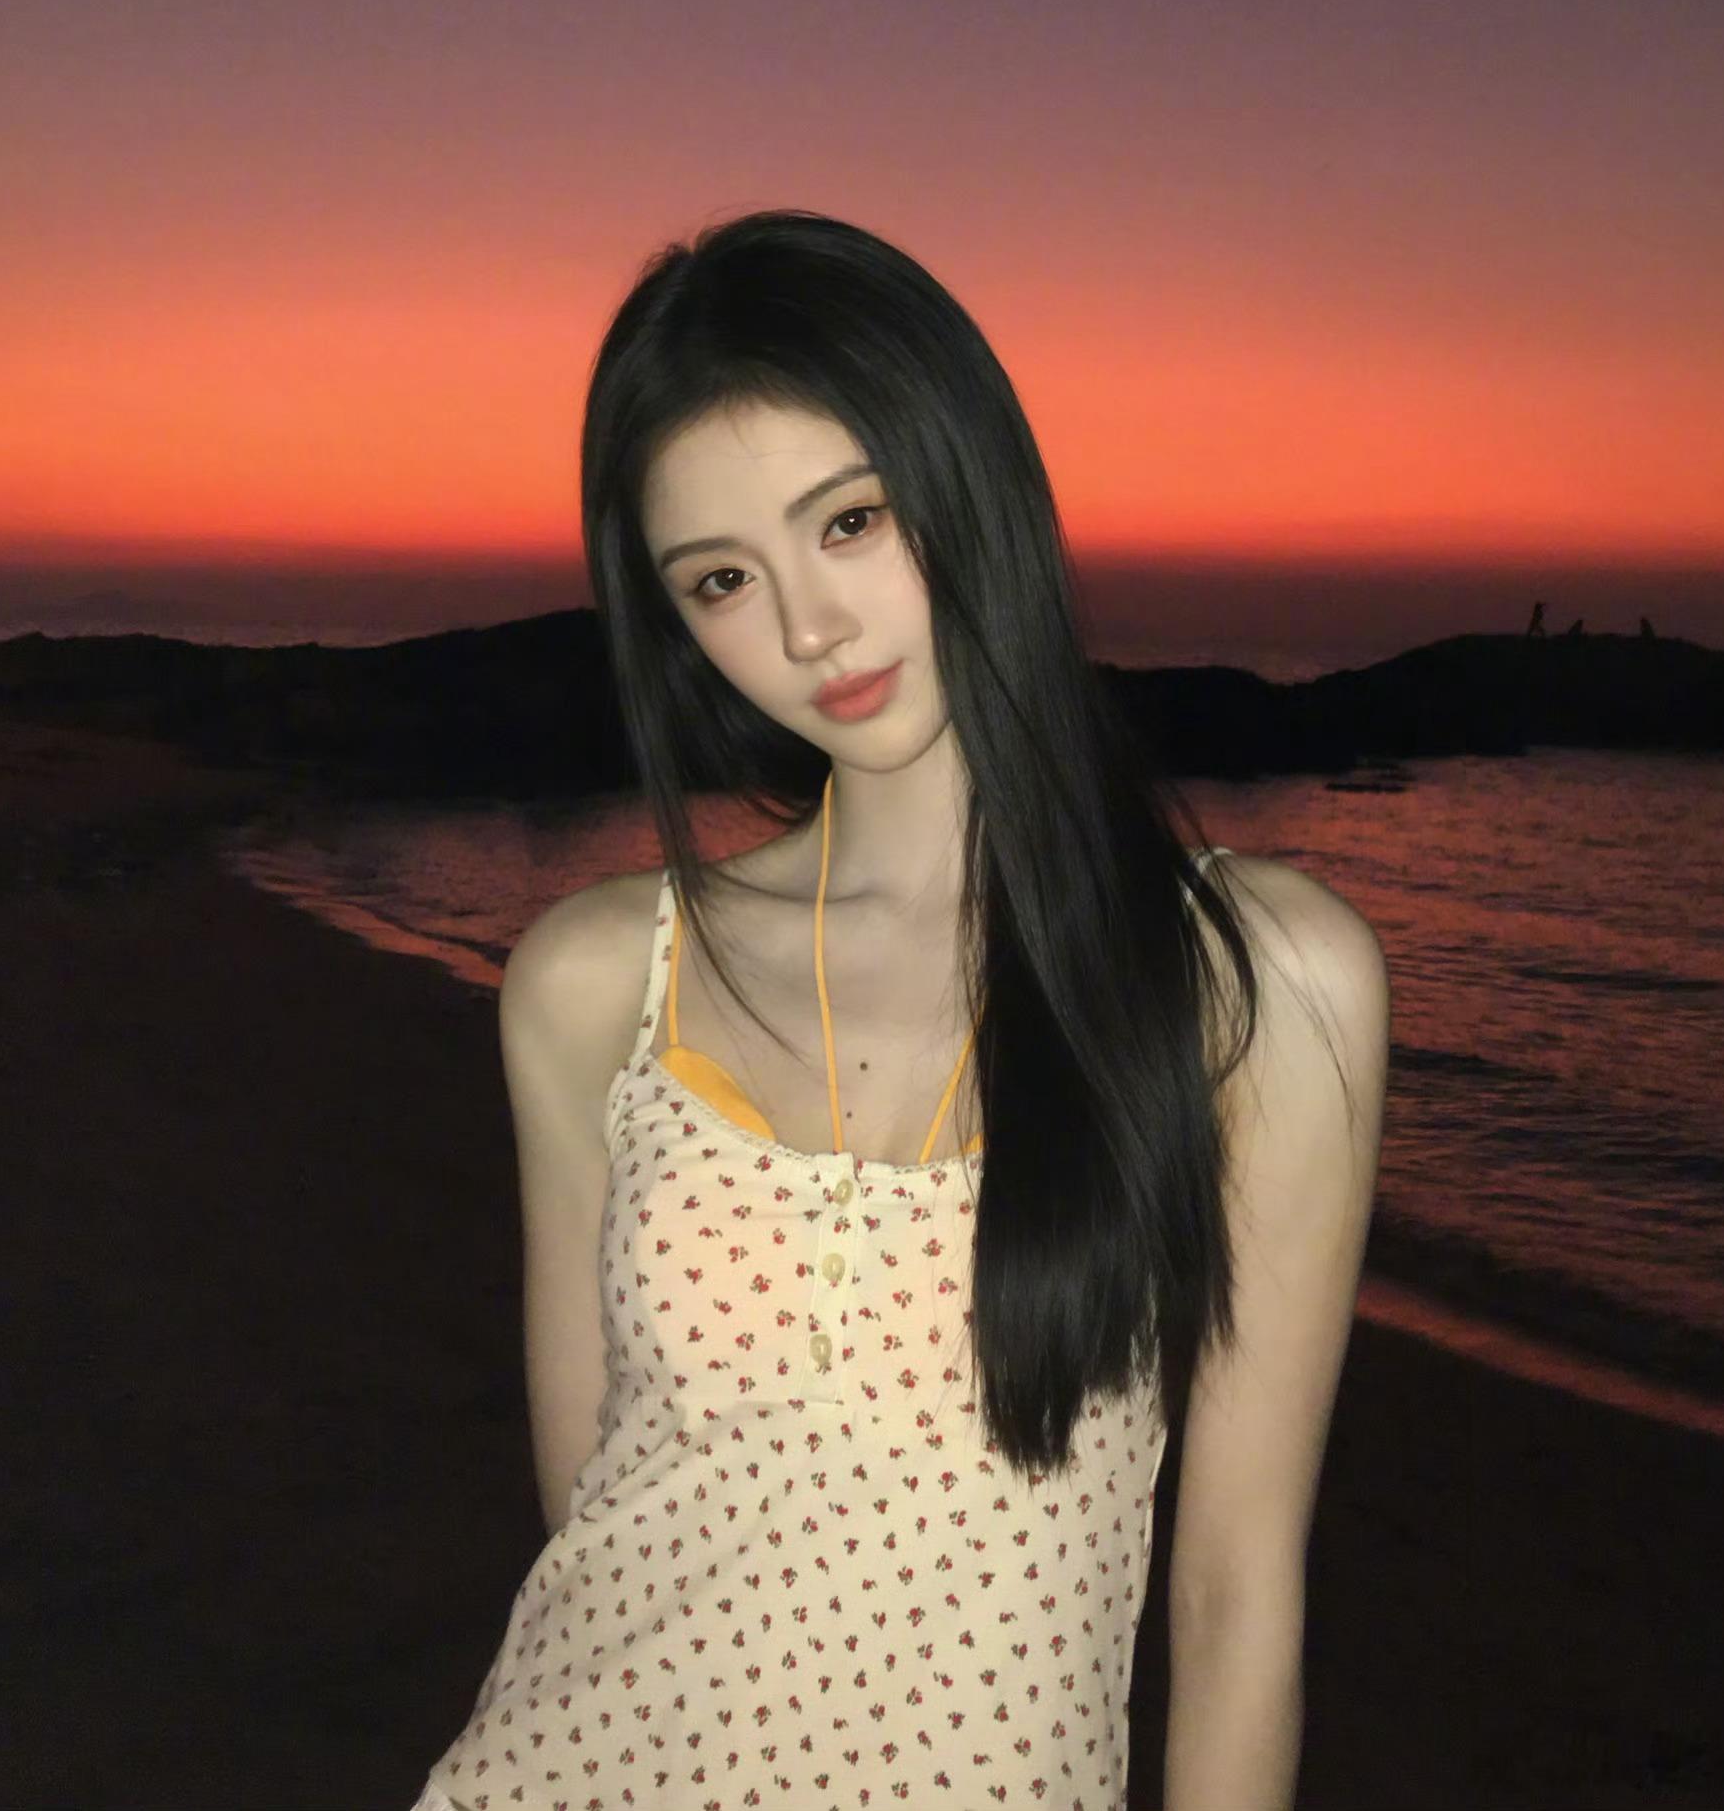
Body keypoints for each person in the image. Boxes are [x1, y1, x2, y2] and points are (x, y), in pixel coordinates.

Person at [409, 209, 1389, 1811]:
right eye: (723, 580)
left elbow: (1234, 1599)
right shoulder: (597, 982)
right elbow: (597, 1516)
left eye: (850, 522)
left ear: (969, 477)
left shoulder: (1258, 980)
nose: (807, 630)